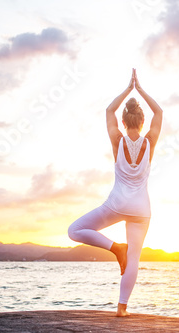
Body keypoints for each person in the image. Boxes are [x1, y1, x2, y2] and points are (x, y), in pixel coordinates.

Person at [68, 68, 163, 317]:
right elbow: (160, 112)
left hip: (117, 204)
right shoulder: (149, 142)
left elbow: (109, 110)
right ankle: (122, 308)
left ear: (124, 122)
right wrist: (140, 89)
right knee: (134, 259)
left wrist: (128, 89)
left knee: (74, 231)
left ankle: (114, 248)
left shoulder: (117, 139)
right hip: (142, 210)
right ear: (142, 122)